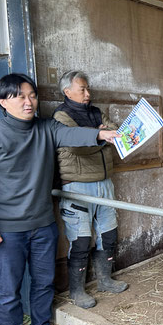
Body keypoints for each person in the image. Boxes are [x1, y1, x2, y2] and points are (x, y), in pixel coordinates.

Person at [0, 73, 120, 325]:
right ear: (3, 102)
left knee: (43, 282)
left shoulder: (47, 127)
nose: (29, 102)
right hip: (7, 228)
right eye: (19, 96)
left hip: (43, 224)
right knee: (9, 288)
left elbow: (73, 135)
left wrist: (102, 134)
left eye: (32, 95)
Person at [53, 71, 128, 310]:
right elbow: (77, 148)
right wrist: (100, 136)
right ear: (67, 92)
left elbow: (117, 133)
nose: (88, 93)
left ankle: (105, 280)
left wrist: (103, 135)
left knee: (109, 234)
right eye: (82, 89)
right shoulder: (61, 116)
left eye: (88, 89)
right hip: (76, 185)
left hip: (104, 182)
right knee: (81, 240)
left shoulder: (95, 111)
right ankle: (77, 291)